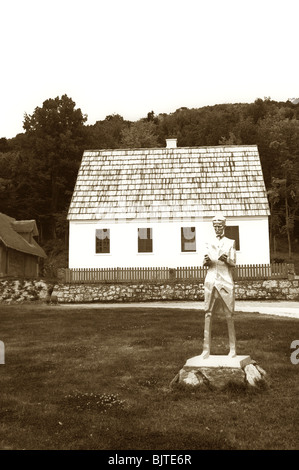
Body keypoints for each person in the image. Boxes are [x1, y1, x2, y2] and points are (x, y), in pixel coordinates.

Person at [201, 214, 237, 358]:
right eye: (215, 227)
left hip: (225, 281)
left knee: (229, 315)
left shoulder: (230, 242)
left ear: (224, 226)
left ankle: (233, 349)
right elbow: (204, 261)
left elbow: (233, 262)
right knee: (208, 314)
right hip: (211, 281)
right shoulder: (208, 242)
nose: (217, 229)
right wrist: (206, 261)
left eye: (219, 226)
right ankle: (206, 350)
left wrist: (226, 259)